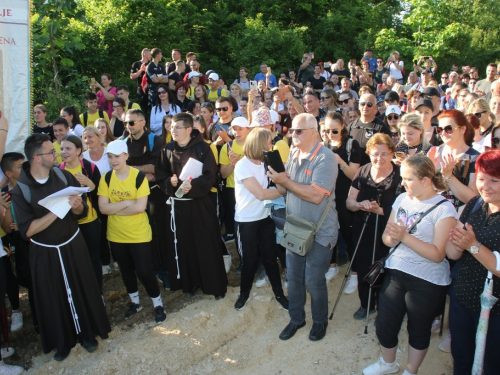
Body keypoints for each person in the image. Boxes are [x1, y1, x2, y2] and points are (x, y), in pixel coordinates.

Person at [11, 133, 110, 361]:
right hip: (44, 250)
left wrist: (76, 207)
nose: (56, 154)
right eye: (51, 152)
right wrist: (55, 211)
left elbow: (82, 211)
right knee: (52, 296)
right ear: (37, 158)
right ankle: (62, 342)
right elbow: (27, 230)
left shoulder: (63, 176)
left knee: (81, 288)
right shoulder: (22, 190)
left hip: (72, 243)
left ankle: (88, 334)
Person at [363, 155, 457, 375]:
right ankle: (388, 364)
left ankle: (411, 370)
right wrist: (393, 237)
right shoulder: (403, 199)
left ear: (425, 180)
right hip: (396, 272)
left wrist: (404, 237)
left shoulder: (445, 209)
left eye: (408, 178)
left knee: (418, 328)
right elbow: (387, 239)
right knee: (385, 323)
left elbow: (437, 254)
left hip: (427, 280)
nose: (402, 183)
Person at [267, 113, 338, 342]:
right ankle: (296, 319)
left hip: (320, 230)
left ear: (314, 132)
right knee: (294, 277)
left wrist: (285, 181)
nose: (292, 134)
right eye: (291, 130)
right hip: (296, 227)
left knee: (313, 279)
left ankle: (320, 321)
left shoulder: (326, 159)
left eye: (299, 130)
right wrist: (279, 180)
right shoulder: (295, 153)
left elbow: (316, 196)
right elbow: (286, 191)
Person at [155, 113, 228, 298]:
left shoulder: (203, 148)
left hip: (199, 205)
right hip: (178, 208)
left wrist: (191, 186)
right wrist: (169, 182)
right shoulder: (167, 149)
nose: (173, 130)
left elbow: (210, 175)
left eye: (177, 127)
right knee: (184, 246)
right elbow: (160, 173)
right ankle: (190, 283)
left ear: (189, 129)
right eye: (171, 127)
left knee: (206, 245)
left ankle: (213, 286)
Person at [97, 140, 166, 323]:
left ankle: (158, 303)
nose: (113, 161)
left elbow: (139, 208)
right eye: (110, 157)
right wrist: (127, 203)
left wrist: (116, 207)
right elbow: (102, 209)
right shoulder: (106, 178)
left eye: (117, 156)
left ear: (126, 156)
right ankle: (135, 302)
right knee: (126, 270)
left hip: (138, 234)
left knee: (144, 271)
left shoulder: (138, 177)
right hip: (116, 234)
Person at [445, 150, 500, 375]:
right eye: (481, 178)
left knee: (491, 363)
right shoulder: (475, 204)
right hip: (463, 298)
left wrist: (472, 245)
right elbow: (452, 253)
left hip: (495, 310)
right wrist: (458, 243)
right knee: (461, 355)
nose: (485, 186)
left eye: (494, 180)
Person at [346, 133, 403, 320]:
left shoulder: (400, 175)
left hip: (389, 230)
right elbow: (349, 202)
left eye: (384, 153)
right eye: (375, 153)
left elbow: (405, 208)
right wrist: (360, 205)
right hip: (363, 228)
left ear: (392, 153)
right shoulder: (363, 171)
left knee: (387, 270)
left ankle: (386, 309)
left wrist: (381, 211)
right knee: (364, 267)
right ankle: (366, 304)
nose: (379, 158)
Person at [233, 128, 288, 310]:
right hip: (246, 221)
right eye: (270, 141)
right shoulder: (242, 165)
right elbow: (261, 193)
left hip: (265, 218)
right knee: (249, 261)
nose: (272, 144)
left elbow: (281, 178)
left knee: (271, 258)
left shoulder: (267, 161)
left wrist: (283, 182)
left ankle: (279, 294)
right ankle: (244, 295)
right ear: (260, 143)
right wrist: (283, 190)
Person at [59, 135, 102, 292]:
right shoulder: (58, 171)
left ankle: (98, 293)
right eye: (62, 148)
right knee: (73, 260)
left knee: (93, 258)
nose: (64, 152)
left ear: (78, 150)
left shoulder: (89, 168)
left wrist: (89, 183)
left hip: (90, 221)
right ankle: (79, 292)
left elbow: (100, 193)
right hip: (68, 224)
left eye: (68, 148)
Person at [323, 112, 361, 292]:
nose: (330, 135)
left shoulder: (351, 145)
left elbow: (355, 175)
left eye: (334, 131)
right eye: (327, 131)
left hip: (346, 199)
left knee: (349, 236)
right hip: (328, 199)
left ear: (343, 127)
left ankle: (355, 274)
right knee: (329, 234)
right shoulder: (323, 146)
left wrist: (339, 162)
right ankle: (332, 267)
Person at [428, 110, 479, 210]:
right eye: (439, 129)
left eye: (449, 129)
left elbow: (473, 198)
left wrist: (448, 176)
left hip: (460, 217)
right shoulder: (434, 152)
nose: (443, 133)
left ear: (463, 129)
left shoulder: (474, 158)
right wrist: (430, 172)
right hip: (435, 213)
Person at [219, 116, 251, 244]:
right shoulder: (227, 147)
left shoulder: (255, 146)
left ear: (248, 130)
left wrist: (241, 163)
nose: (237, 132)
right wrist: (232, 164)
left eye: (240, 129)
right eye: (234, 129)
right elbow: (224, 174)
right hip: (233, 189)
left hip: (251, 189)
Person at [347, 93, 392, 165]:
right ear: (358, 106)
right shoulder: (351, 126)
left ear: (375, 108)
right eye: (362, 104)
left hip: (373, 169)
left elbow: (388, 152)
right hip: (353, 171)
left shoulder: (382, 128)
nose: (365, 107)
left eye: (369, 104)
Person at [130, 48, 152, 113]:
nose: (151, 56)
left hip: (150, 88)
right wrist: (140, 70)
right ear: (144, 54)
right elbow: (132, 77)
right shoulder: (136, 64)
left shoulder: (151, 64)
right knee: (142, 107)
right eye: (149, 54)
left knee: (151, 107)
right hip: (141, 88)